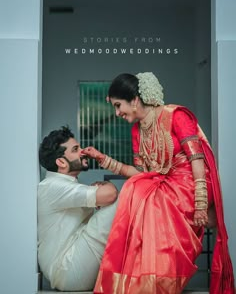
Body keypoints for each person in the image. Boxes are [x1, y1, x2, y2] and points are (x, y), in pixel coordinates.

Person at [82, 72, 235, 294]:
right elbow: (141, 174)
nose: (117, 113)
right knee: (137, 187)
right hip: (164, 186)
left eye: (118, 105)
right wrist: (101, 158)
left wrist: (202, 204)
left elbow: (197, 159)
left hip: (189, 182)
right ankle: (146, 282)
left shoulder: (176, 115)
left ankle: (160, 282)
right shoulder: (137, 130)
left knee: (145, 193)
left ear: (134, 100)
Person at [37, 126, 118, 291]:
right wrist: (107, 187)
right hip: (66, 269)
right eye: (75, 149)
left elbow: (104, 198)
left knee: (119, 209)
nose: (83, 151)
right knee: (129, 193)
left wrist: (102, 194)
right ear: (61, 162)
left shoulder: (63, 184)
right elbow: (110, 195)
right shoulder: (53, 186)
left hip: (72, 262)